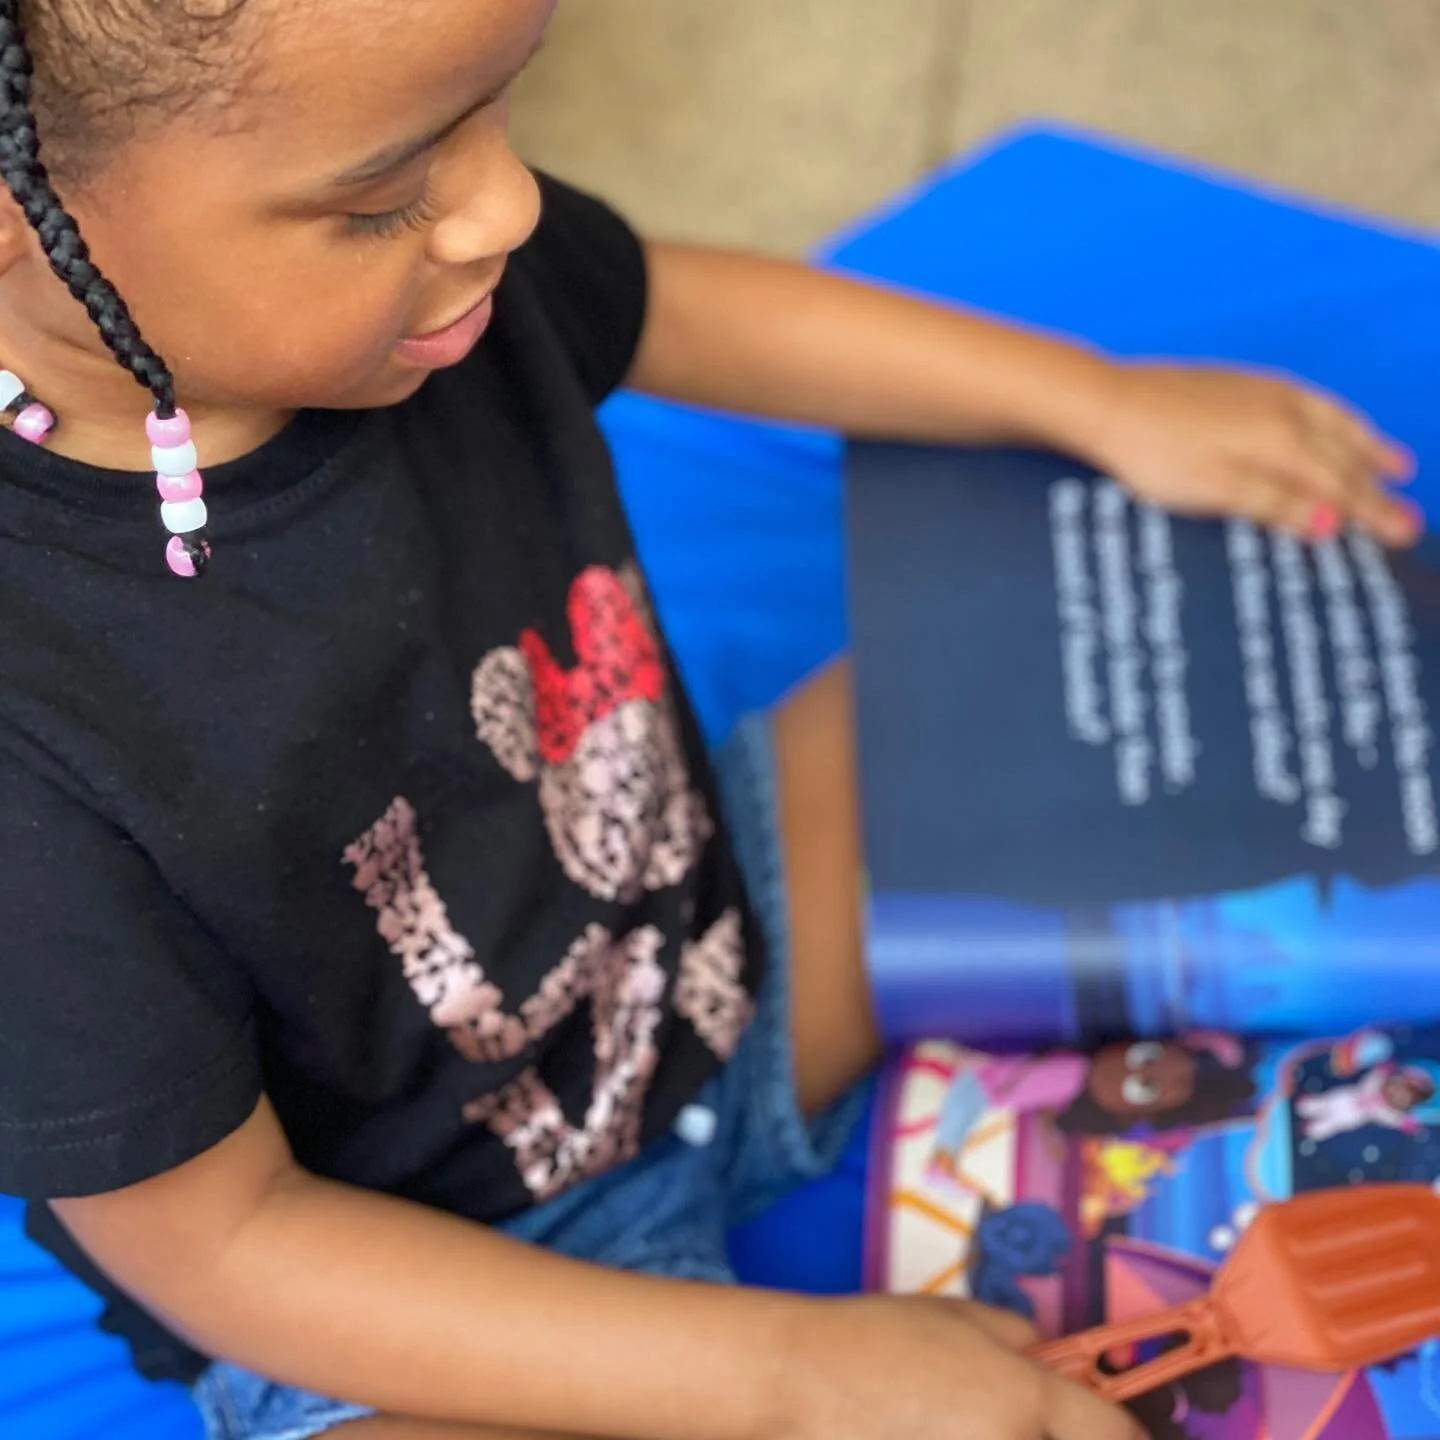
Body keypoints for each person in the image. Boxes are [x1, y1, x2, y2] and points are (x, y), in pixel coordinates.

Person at [0, 3, 1419, 1439]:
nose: (506, 202)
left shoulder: (446, 278)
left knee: (1141, 637)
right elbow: (227, 1246)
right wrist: (792, 1380)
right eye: (381, 196)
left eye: (503, 108)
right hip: (423, 1289)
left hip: (712, 941)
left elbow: (684, 309)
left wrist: (1097, 403)